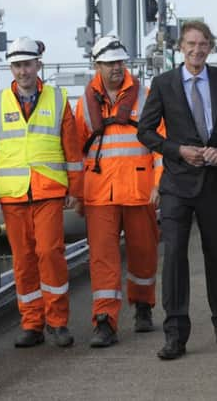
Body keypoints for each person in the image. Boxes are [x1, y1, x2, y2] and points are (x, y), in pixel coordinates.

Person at [137, 21, 217, 360]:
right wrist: (177, 150)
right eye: (190, 44)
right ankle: (175, 333)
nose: (196, 50)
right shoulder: (164, 84)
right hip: (177, 184)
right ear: (180, 48)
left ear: (211, 48)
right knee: (173, 257)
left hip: (214, 182)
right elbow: (145, 131)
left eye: (203, 44)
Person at [0, 37, 83, 348]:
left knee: (50, 254)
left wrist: (75, 189)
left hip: (48, 189)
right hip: (12, 194)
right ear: (11, 67)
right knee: (23, 261)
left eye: (27, 64)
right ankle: (33, 323)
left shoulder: (58, 99)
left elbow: (72, 150)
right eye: (16, 66)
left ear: (39, 65)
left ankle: (58, 322)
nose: (22, 71)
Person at [74, 36, 163, 348]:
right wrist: (77, 192)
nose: (115, 67)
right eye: (109, 63)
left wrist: (159, 183)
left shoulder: (146, 97)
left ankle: (142, 306)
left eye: (119, 62)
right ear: (97, 65)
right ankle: (104, 321)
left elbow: (160, 146)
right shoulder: (84, 103)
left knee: (144, 254)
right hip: (99, 194)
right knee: (102, 260)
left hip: (139, 191)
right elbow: (75, 152)